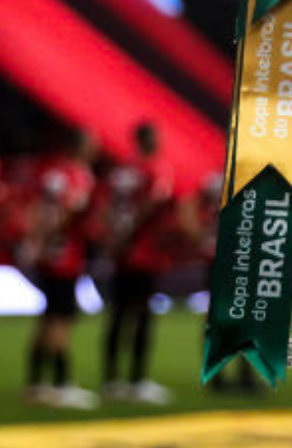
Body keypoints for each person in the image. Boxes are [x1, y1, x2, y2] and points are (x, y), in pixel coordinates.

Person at [99, 122, 176, 403]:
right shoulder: (154, 168)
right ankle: (137, 380)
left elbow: (105, 206)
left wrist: (112, 238)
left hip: (121, 253)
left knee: (118, 314)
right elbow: (153, 204)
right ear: (150, 140)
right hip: (143, 253)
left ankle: (110, 379)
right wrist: (128, 236)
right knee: (142, 315)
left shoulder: (120, 171)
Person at [24, 131, 98, 409]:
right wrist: (50, 237)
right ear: (82, 148)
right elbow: (72, 211)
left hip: (48, 255)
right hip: (65, 255)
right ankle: (60, 383)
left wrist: (35, 240)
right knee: (61, 320)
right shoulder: (79, 176)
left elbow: (35, 208)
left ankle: (35, 383)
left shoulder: (52, 173)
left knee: (47, 318)